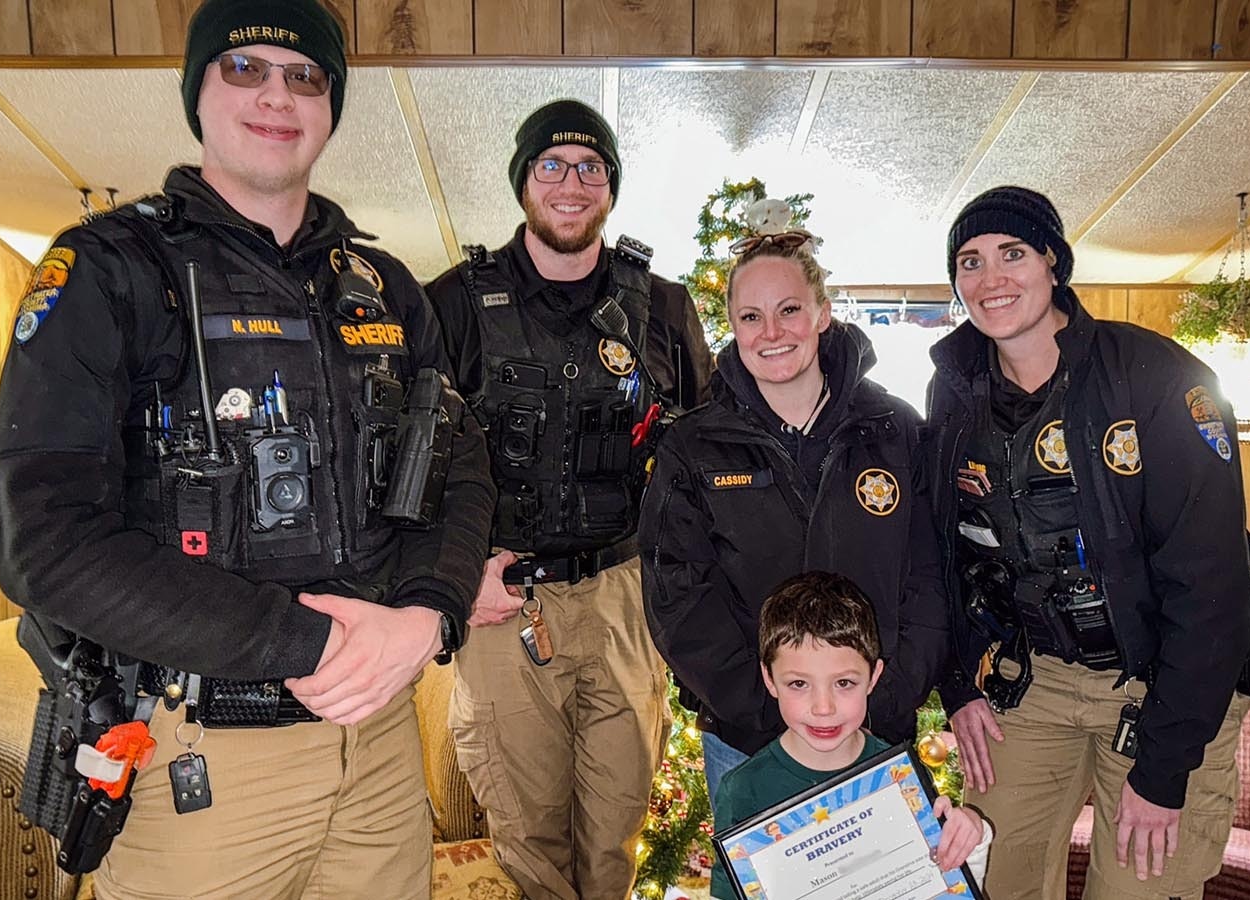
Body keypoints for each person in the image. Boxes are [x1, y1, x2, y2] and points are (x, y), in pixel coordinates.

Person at [0, 1, 493, 896]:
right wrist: (309, 642)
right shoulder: (108, 269)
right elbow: (45, 542)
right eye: (244, 67)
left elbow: (461, 473)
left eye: (305, 76)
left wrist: (428, 615)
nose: (277, 96)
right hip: (199, 761)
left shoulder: (387, 290)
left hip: (376, 750)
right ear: (197, 90)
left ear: (331, 105)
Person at [422, 99, 713, 900]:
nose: (571, 183)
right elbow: (408, 465)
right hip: (501, 601)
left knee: (617, 829)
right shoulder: (449, 304)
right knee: (530, 840)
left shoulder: (664, 306)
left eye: (591, 168)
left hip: (623, 594)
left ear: (610, 188)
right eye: (551, 165)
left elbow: (708, 459)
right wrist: (450, 577)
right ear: (523, 182)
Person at [928, 186, 1250, 899]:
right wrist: (958, 684)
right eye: (970, 262)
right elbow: (944, 552)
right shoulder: (953, 391)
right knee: (990, 874)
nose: (992, 279)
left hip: (1162, 681)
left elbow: (1213, 591)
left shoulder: (1158, 379)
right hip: (1040, 678)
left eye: (1012, 254)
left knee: (1136, 885)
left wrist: (1165, 771)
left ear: (1053, 261)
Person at [638, 232, 948, 803]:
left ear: (823, 314)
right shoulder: (694, 447)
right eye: (752, 316)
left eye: (789, 310)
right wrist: (771, 703)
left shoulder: (894, 430)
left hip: (875, 730)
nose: (772, 333)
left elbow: (930, 579)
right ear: (732, 325)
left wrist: (882, 696)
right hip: (750, 740)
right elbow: (677, 597)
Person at [710, 571, 987, 900]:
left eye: (844, 683)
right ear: (770, 680)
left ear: (873, 677)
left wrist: (970, 832)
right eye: (799, 684)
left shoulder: (900, 777)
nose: (823, 707)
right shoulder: (743, 790)